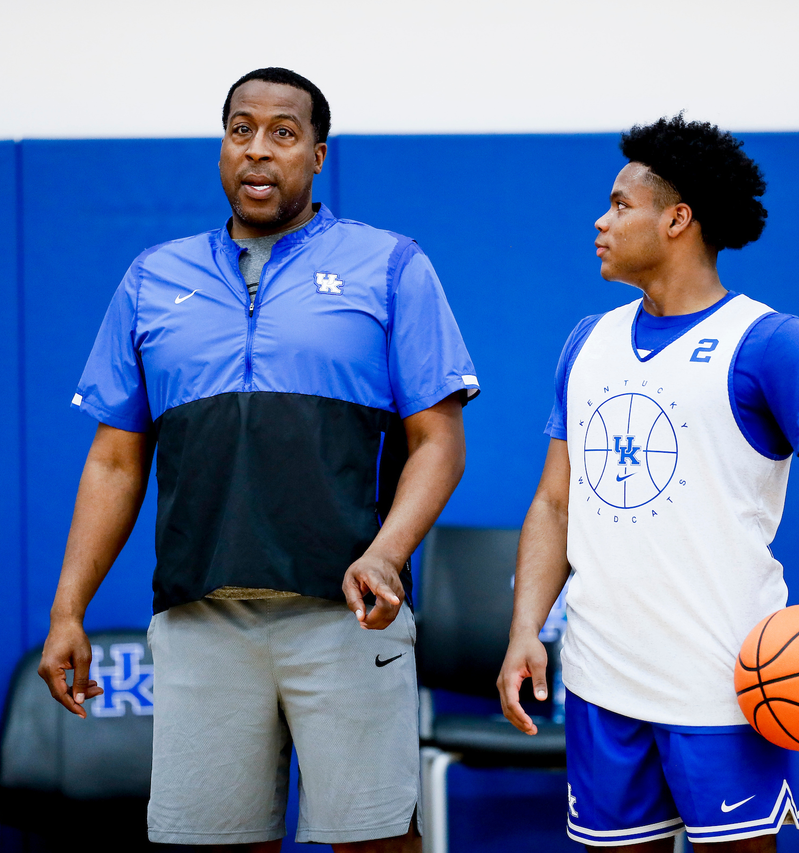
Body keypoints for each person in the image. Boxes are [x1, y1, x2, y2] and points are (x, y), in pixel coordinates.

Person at [37, 67, 479, 852]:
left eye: (283, 132)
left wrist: (385, 555)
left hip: (345, 616)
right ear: (221, 147)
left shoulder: (390, 265)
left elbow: (438, 443)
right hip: (202, 617)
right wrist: (69, 607)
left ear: (317, 155)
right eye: (241, 129)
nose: (258, 150)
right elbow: (113, 461)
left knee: (377, 839)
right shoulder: (152, 279)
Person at [497, 115, 799, 851]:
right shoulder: (585, 343)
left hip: (727, 682)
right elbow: (554, 502)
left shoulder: (771, 343)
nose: (600, 220)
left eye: (621, 204)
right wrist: (525, 627)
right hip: (601, 683)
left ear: (677, 218)